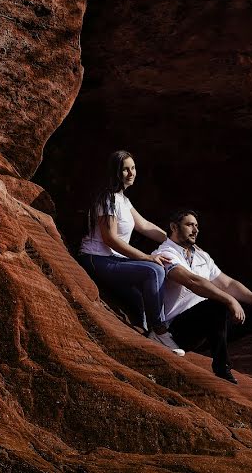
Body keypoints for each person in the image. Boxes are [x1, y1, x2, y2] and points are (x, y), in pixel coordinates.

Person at [153, 209, 252, 394]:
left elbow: (228, 283)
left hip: (210, 327)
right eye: (189, 225)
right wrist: (229, 300)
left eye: (197, 226)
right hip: (178, 331)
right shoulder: (165, 253)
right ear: (174, 227)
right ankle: (222, 367)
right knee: (216, 304)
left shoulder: (201, 256)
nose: (195, 230)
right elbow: (192, 281)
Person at [76, 150, 184, 356]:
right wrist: (147, 257)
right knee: (153, 271)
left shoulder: (123, 200)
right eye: (125, 169)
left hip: (113, 259)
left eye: (133, 168)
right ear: (115, 172)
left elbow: (144, 225)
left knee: (150, 283)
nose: (131, 173)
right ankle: (159, 331)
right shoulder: (107, 198)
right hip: (96, 258)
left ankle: (155, 329)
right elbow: (110, 239)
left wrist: (175, 242)